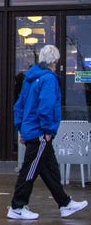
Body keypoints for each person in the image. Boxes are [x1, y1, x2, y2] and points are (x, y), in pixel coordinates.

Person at [7, 45, 88, 220]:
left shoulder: (29, 79)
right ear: (55, 61)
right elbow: (46, 106)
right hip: (40, 132)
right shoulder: (49, 79)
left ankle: (65, 203)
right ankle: (17, 206)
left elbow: (19, 106)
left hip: (31, 129)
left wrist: (20, 128)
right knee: (29, 170)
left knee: (49, 169)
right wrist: (47, 130)